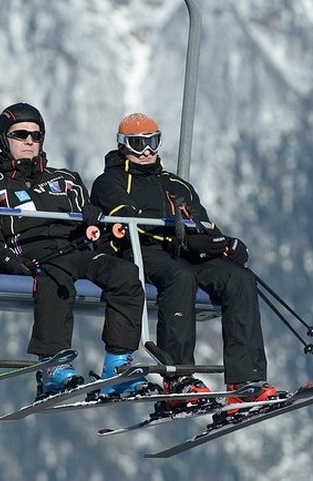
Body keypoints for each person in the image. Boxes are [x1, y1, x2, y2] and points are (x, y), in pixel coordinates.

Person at [90, 113, 281, 408]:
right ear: (123, 145)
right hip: (143, 250)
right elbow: (128, 220)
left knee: (239, 278)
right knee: (180, 276)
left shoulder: (177, 185)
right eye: (138, 143)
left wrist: (222, 244)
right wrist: (176, 231)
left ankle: (246, 382)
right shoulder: (111, 181)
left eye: (152, 142)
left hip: (184, 250)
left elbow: (202, 225)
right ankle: (178, 377)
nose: (146, 151)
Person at [0, 103, 155, 400]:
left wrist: (97, 224)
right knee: (56, 278)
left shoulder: (66, 180)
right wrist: (12, 263)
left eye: (36, 135)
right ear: (5, 139)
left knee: (125, 273)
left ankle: (117, 364)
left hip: (76, 249)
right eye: (21, 134)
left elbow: (88, 214)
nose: (30, 141)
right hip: (35, 255)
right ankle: (52, 366)